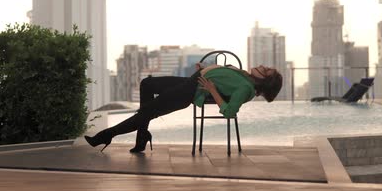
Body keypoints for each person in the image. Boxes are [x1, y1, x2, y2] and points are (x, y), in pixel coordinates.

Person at [84, 63, 283, 153]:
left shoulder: (245, 88)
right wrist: (206, 68)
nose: (262, 66)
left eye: (266, 70)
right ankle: (142, 135)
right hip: (190, 81)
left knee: (145, 112)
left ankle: (105, 136)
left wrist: (212, 89)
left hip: (189, 91)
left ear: (264, 80)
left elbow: (230, 111)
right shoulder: (243, 76)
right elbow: (222, 77)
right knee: (147, 84)